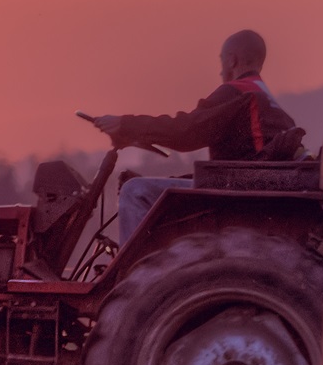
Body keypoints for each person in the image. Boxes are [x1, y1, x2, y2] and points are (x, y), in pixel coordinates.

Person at [85, 29, 306, 241]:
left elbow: (186, 131)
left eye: (221, 62)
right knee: (157, 185)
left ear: (232, 60)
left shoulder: (237, 93)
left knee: (135, 190)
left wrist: (126, 124)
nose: (220, 71)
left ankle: (131, 275)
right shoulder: (272, 105)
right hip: (249, 190)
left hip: (235, 194)